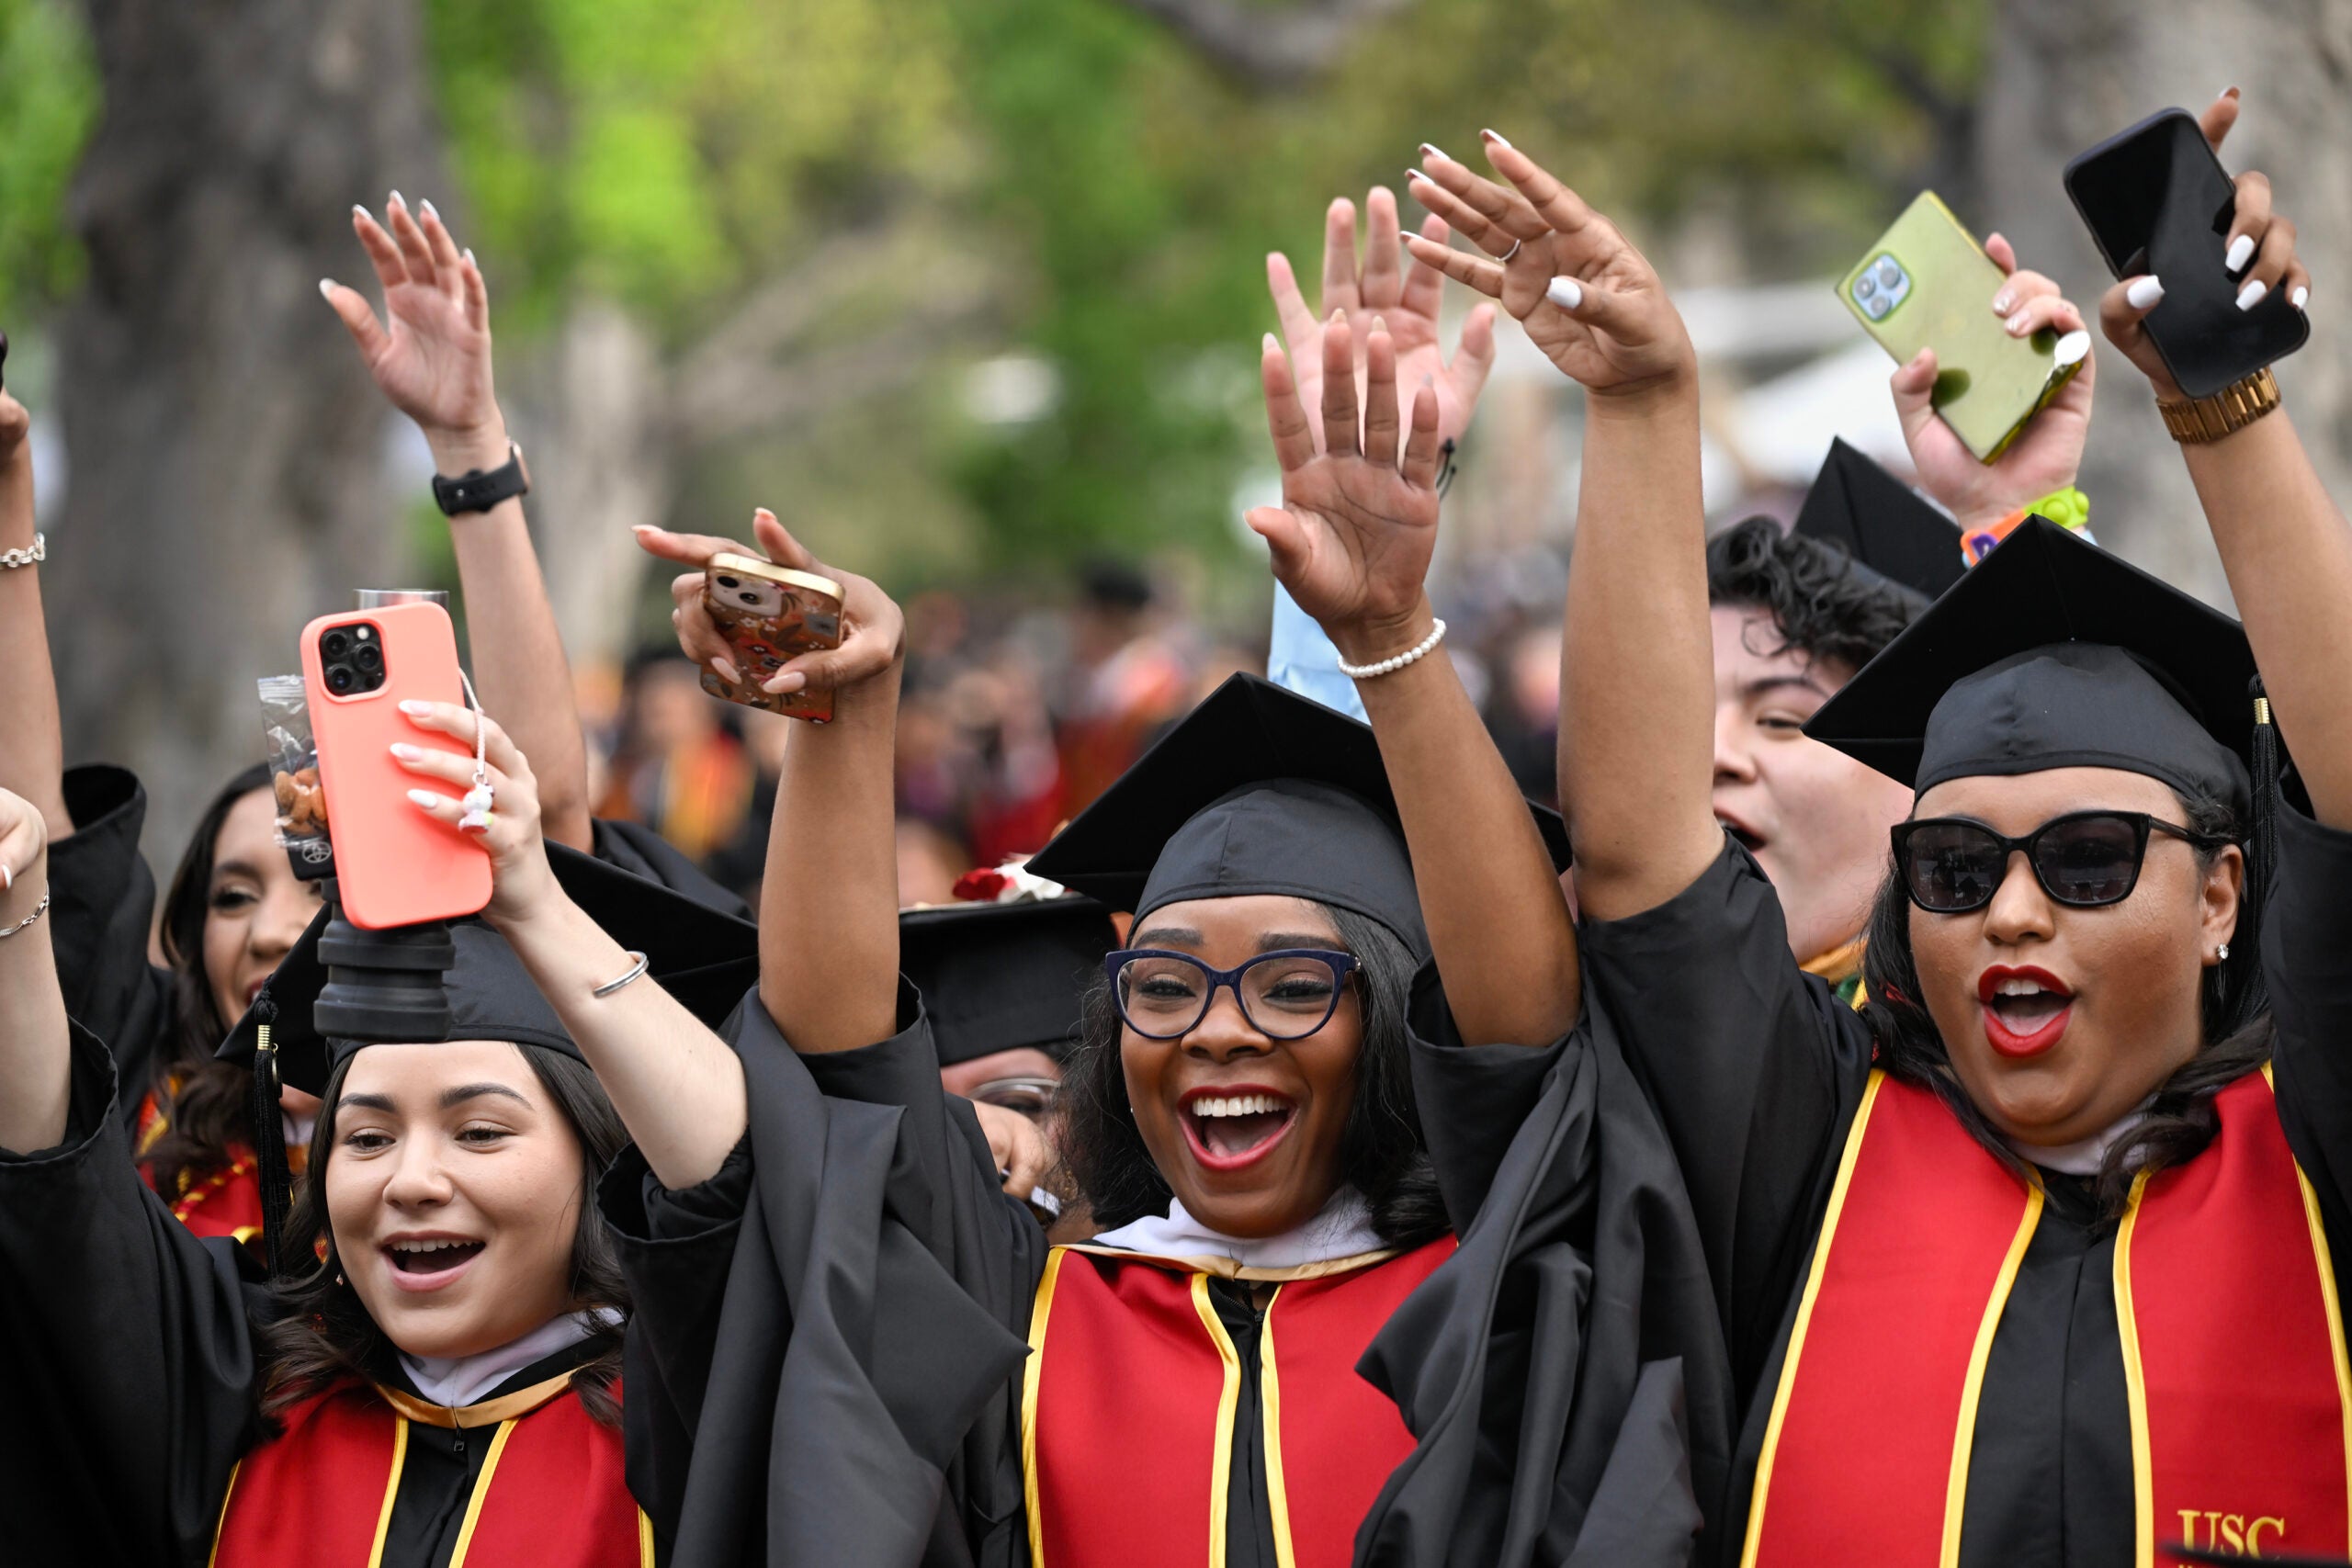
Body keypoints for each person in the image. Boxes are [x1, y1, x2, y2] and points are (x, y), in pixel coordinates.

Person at [617, 319, 1729, 1564]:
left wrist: (1388, 633)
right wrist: (840, 709)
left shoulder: (1489, 1299)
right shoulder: (1030, 1316)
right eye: (1164, 986)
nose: (1218, 1025)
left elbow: (1521, 1038)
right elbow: (846, 1063)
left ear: (1396, 1022)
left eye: (1296, 985)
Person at [1416, 102, 2350, 1564]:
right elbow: (1642, 859)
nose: (2014, 914)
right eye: (1958, 871)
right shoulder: (1816, 1138)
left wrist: (2223, 404)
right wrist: (1647, 406)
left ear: (2227, 890)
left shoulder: (2311, 1148)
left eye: (2091, 859)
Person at [0, 193, 736, 1250]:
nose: (264, 931)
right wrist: (9, 511)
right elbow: (37, 846)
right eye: (230, 892)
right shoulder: (150, 1139)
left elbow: (549, 806)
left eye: (315, 883)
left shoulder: (511, 1116)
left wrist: (470, 449)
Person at [0, 702, 761, 1566]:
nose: (411, 1180)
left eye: (478, 1131)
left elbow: (726, 1187)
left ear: (599, 1160)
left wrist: (534, 898)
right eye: (364, 1138)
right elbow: (60, 1208)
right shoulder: (247, 1396)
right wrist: (15, 904)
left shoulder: (685, 1419)